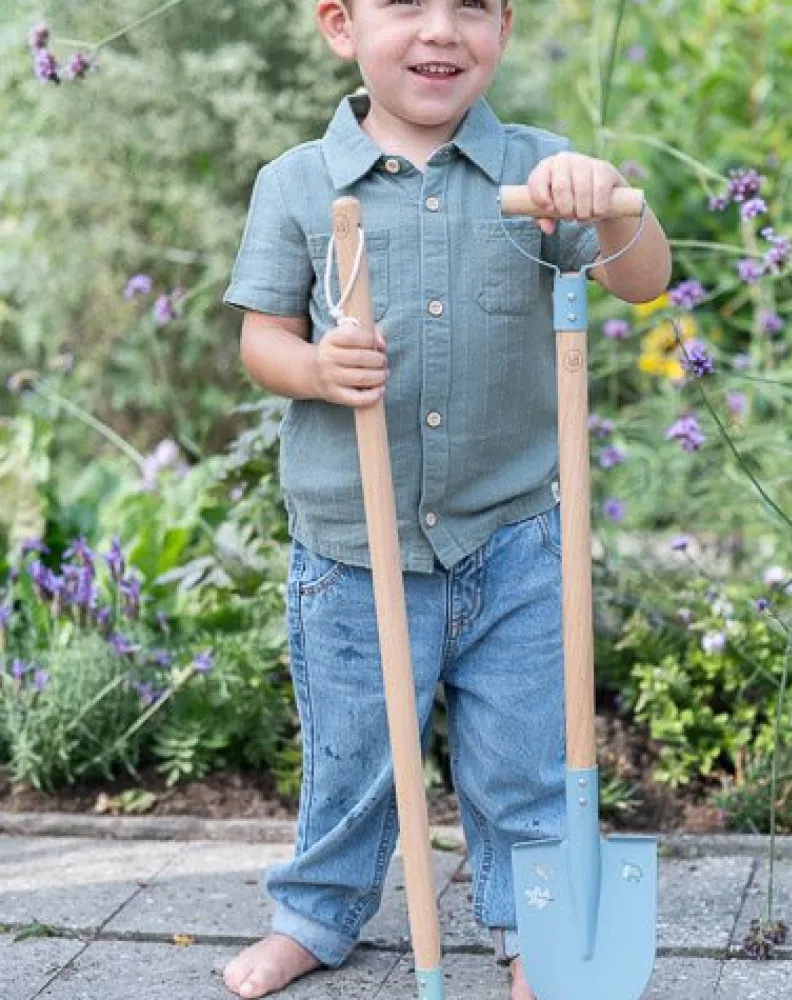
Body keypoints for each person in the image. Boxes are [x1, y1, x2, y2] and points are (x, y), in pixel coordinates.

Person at [220, 0, 671, 997]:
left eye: (470, 4)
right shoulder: (298, 183)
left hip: (514, 538)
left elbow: (644, 282)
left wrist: (611, 207)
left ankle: (535, 927)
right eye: (405, 4)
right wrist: (316, 366)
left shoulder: (543, 174)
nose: (440, 30)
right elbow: (261, 340)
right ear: (339, 25)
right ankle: (315, 913)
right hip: (355, 544)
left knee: (527, 758)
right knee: (353, 755)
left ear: (503, 27)